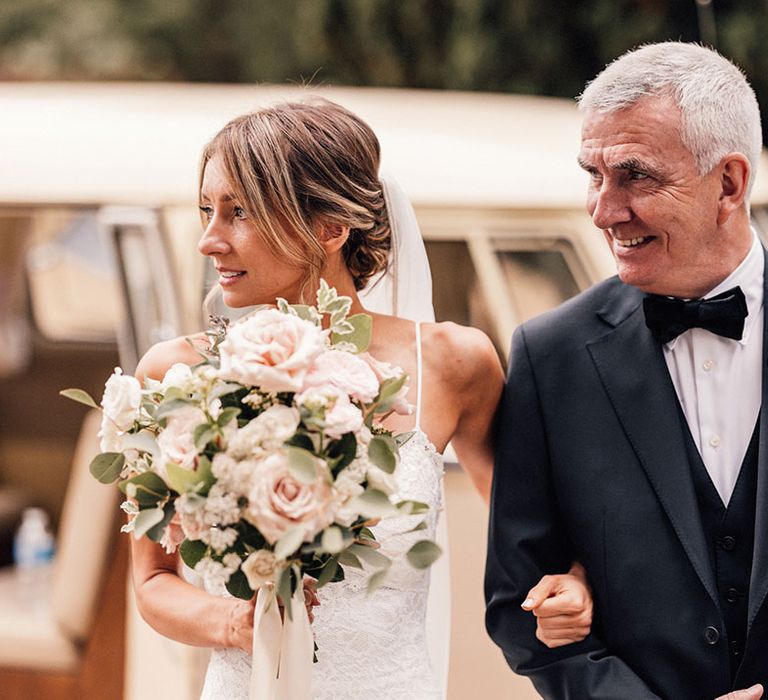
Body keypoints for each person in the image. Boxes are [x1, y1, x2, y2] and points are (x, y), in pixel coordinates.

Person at [130, 98, 594, 698]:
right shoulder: (176, 374)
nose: (209, 241)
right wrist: (239, 623)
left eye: (237, 212)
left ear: (329, 228)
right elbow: (152, 582)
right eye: (206, 212)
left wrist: (574, 581)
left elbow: (536, 537)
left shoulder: (453, 364)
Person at [485, 41, 768, 699]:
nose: (604, 211)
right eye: (594, 174)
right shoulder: (551, 355)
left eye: (635, 176)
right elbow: (517, 605)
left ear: (729, 182)